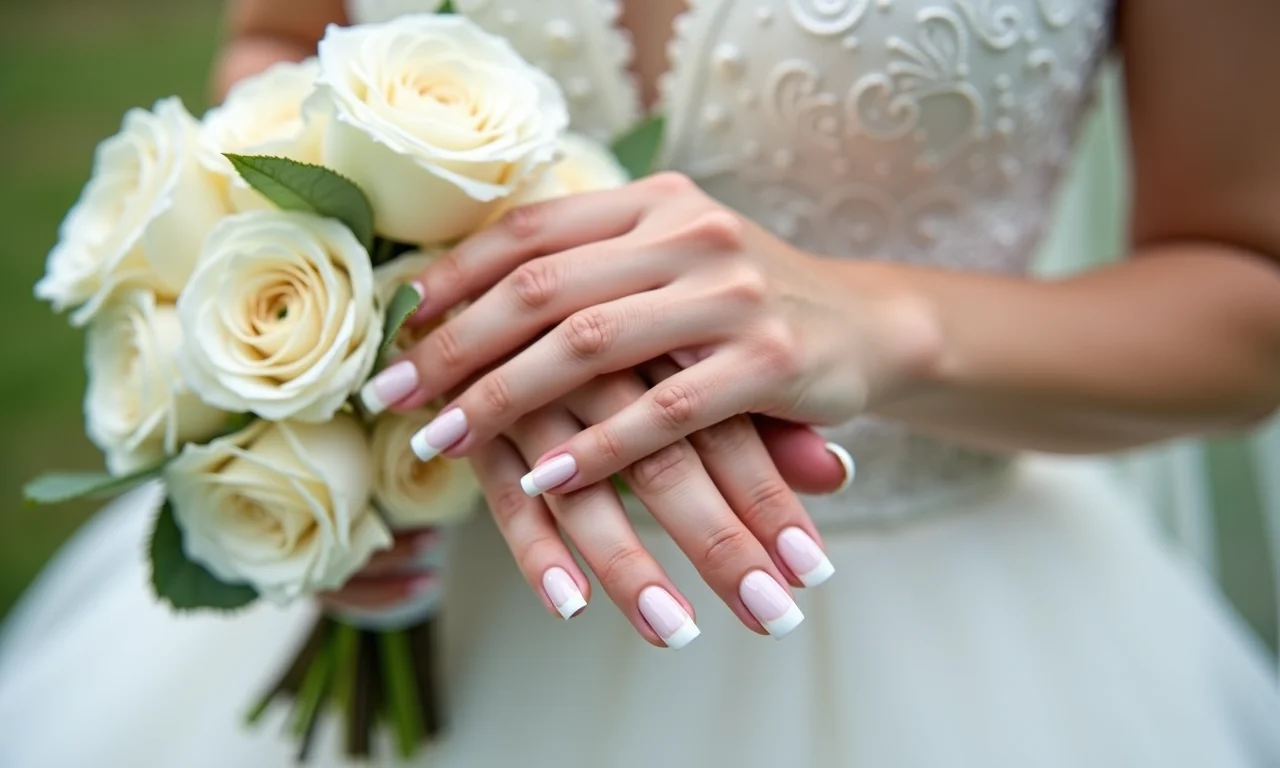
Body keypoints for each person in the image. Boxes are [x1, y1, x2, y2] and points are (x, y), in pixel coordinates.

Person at [2, 0, 1280, 766]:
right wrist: (360, 343)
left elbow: (1244, 287)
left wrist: (887, 327)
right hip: (437, 575)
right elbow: (283, 39)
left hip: (937, 632)